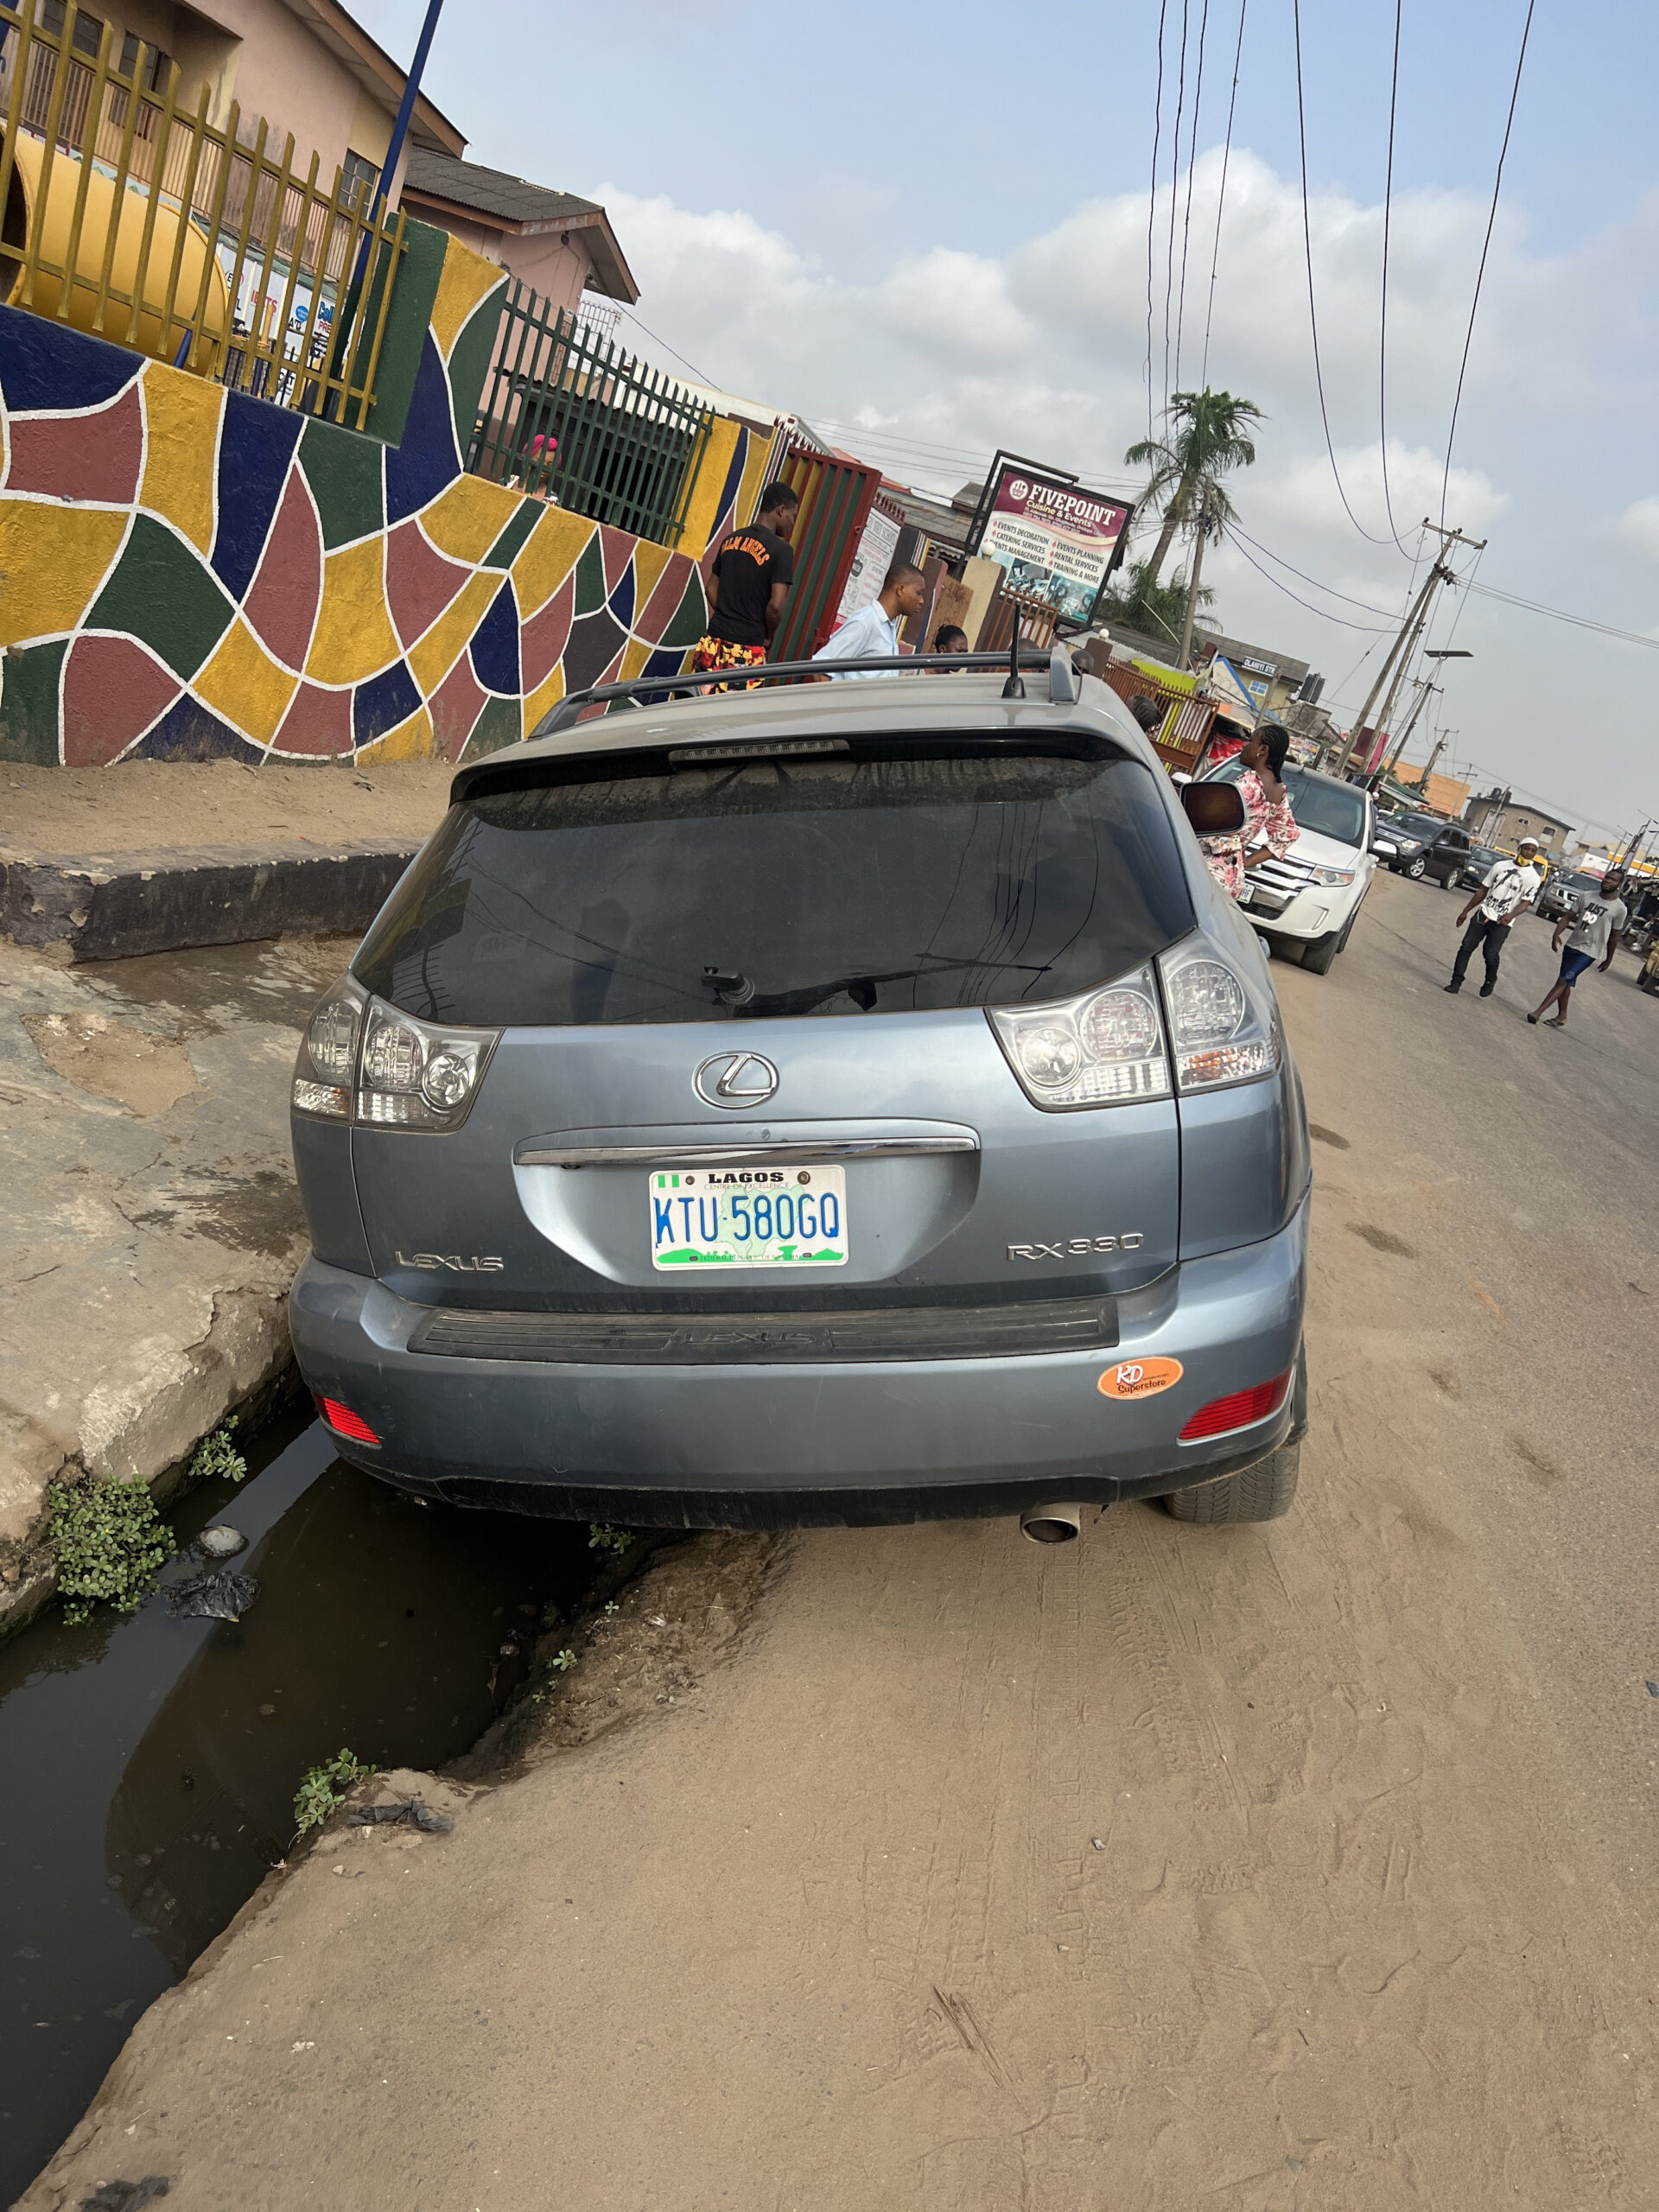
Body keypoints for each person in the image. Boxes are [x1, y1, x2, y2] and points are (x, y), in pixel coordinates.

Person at [691, 482, 799, 690]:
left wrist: (728, 615)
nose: (792, 523)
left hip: (712, 643)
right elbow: (776, 605)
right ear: (781, 510)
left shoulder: (731, 539)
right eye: (792, 516)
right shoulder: (782, 551)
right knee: (738, 709)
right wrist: (768, 636)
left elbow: (711, 589)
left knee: (698, 704)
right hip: (746, 650)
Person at [1199, 725, 1299, 899]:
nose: (1244, 745)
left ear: (1262, 750)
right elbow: (1286, 836)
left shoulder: (1249, 785)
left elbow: (1211, 827)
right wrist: (1242, 858)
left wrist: (1227, 846)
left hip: (1206, 872)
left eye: (1250, 740)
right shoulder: (1278, 792)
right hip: (1232, 877)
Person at [1528, 867, 1628, 1029]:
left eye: (1613, 880)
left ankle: (1537, 1012)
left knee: (1563, 980)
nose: (1608, 881)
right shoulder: (1587, 896)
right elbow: (1568, 916)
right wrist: (1556, 934)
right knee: (1566, 981)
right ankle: (1562, 1016)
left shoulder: (1620, 909)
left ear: (1619, 885)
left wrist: (1608, 959)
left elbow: (1614, 936)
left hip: (1590, 951)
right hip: (1572, 945)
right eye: (1607, 877)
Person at [1444, 836, 1544, 997]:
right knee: (1466, 947)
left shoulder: (1533, 878)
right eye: (1526, 848)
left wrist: (1511, 915)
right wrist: (1466, 911)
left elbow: (1525, 903)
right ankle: (1456, 982)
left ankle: (1490, 980)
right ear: (1519, 848)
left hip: (1502, 922)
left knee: (1490, 954)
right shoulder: (1500, 866)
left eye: (1533, 851)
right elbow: (1483, 890)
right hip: (1484, 913)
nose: (1528, 853)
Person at [812, 563, 928, 678]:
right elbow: (821, 668)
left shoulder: (888, 627)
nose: (921, 601)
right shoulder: (866, 622)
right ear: (900, 589)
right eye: (918, 593)